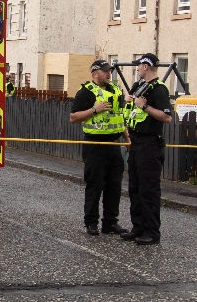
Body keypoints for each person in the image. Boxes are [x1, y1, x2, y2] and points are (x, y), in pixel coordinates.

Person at [68, 60, 131, 236]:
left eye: (109, 70)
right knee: (95, 186)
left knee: (114, 186)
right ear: (95, 73)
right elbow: (73, 117)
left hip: (114, 144)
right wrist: (95, 110)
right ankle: (91, 223)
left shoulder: (116, 91)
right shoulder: (86, 92)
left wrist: (127, 140)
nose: (108, 73)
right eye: (105, 71)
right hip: (95, 145)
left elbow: (120, 118)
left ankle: (110, 223)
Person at [120, 53, 173, 245]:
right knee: (134, 188)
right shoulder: (138, 87)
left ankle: (152, 232)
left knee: (148, 190)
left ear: (145, 66)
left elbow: (166, 117)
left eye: (139, 65)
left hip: (150, 144)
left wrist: (145, 106)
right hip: (136, 142)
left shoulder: (158, 90)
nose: (137, 68)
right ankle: (138, 227)